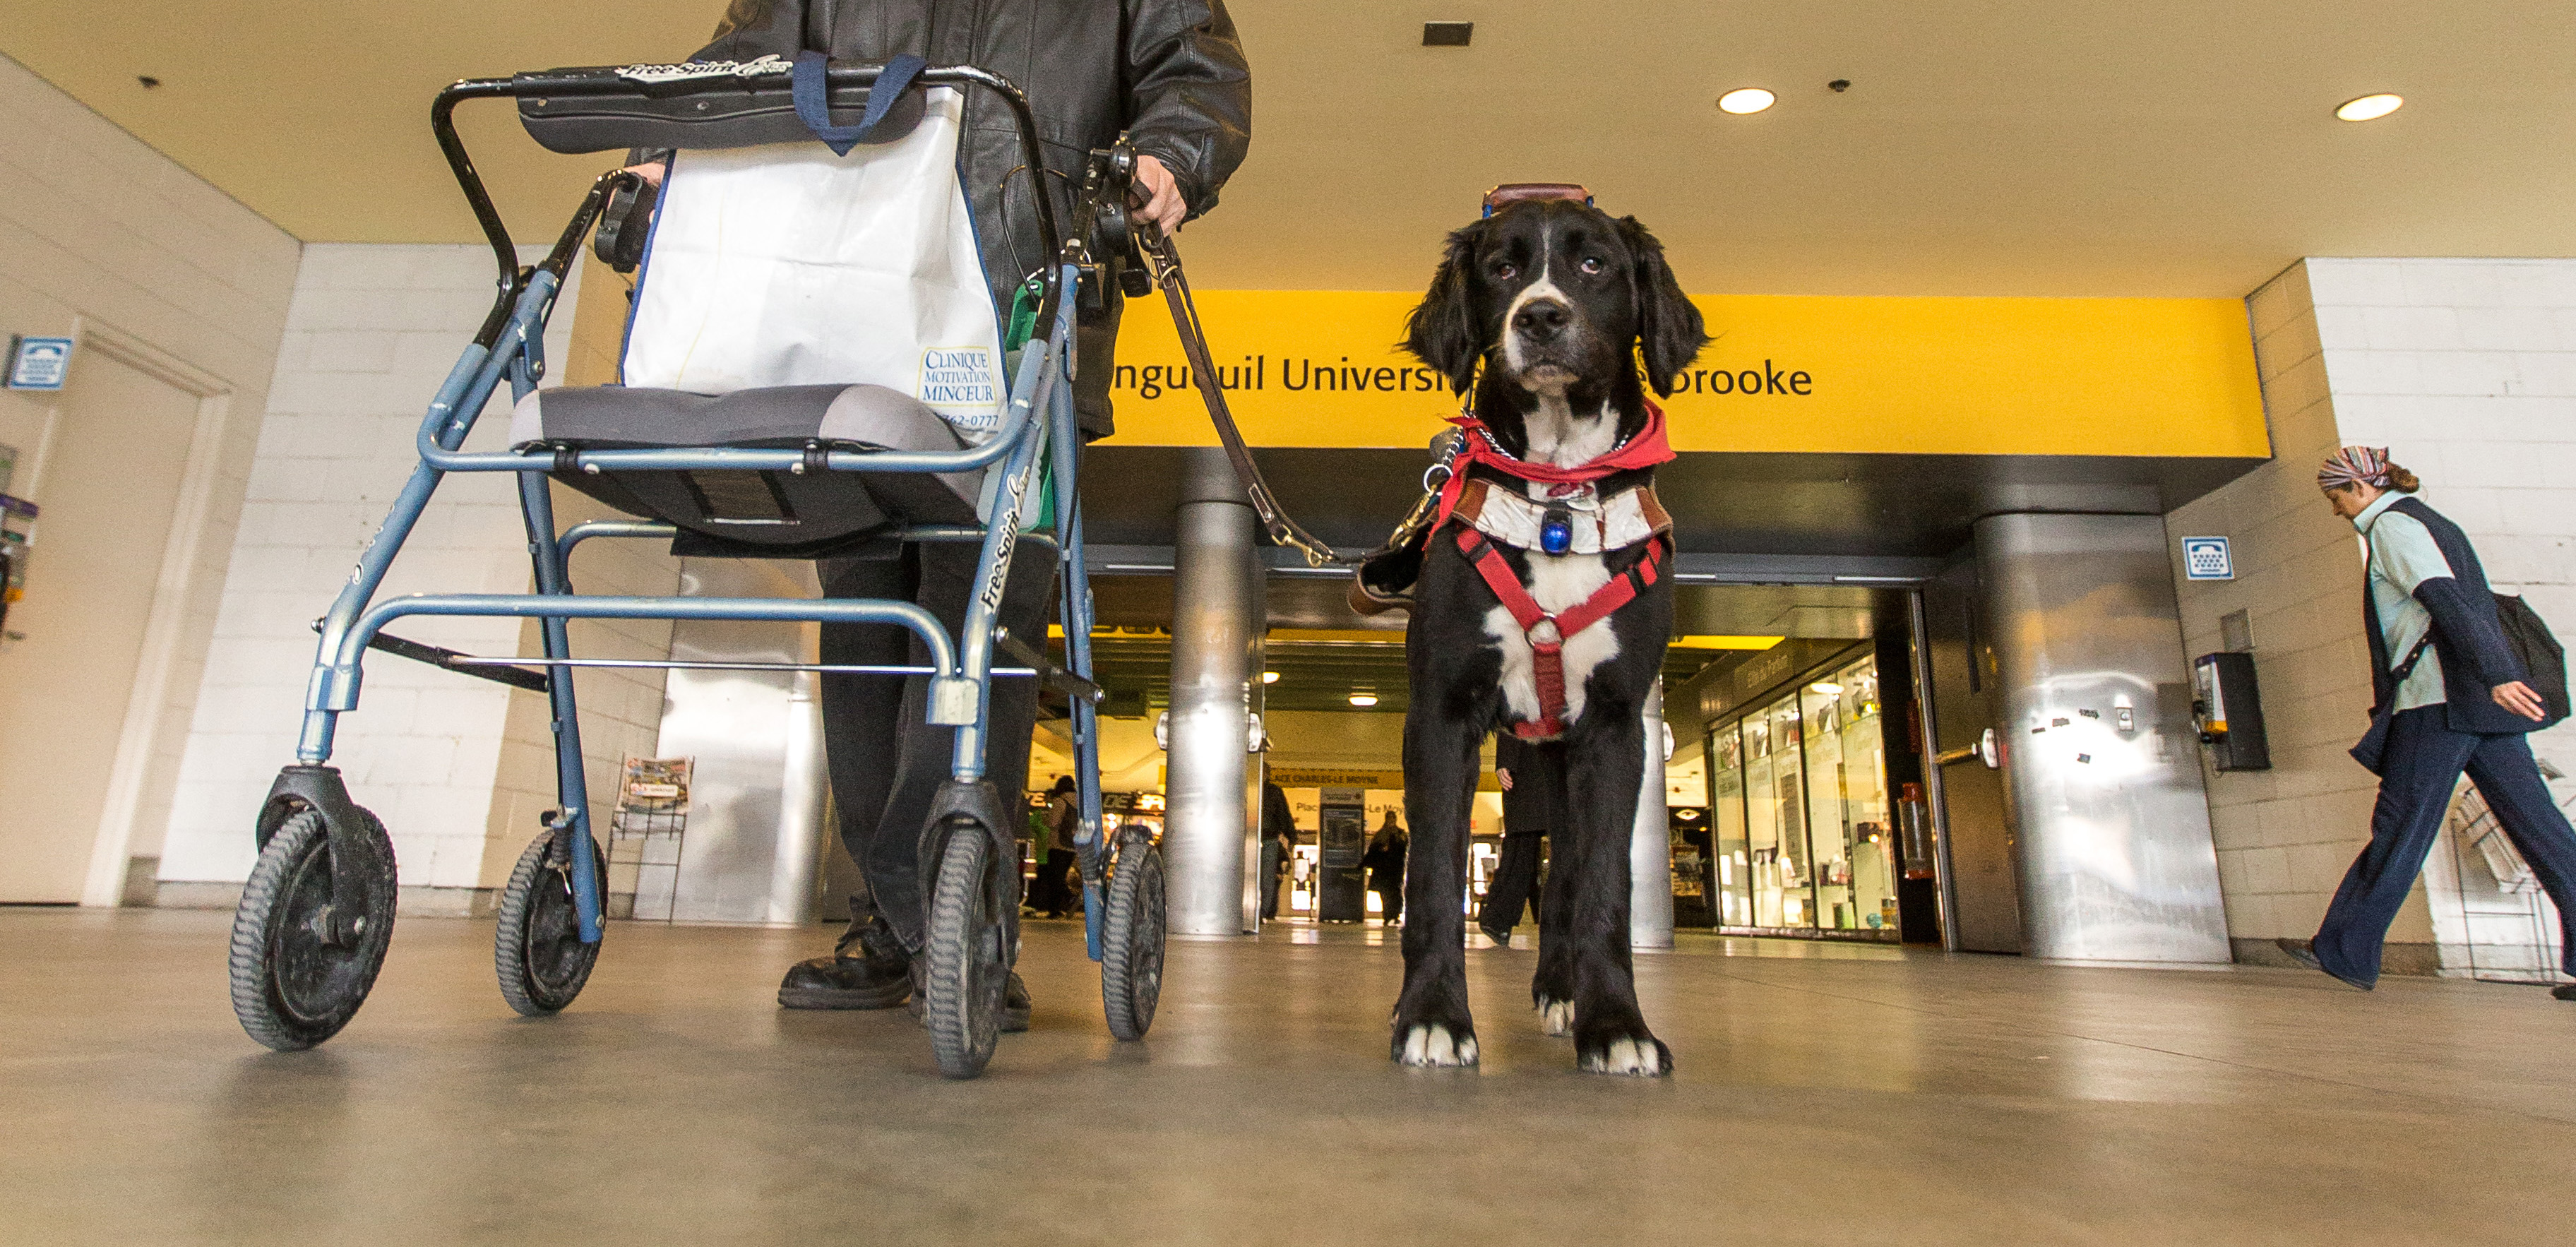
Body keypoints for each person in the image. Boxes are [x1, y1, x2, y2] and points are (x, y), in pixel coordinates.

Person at [749, 0, 1252, 1018]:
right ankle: (899, 913)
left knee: (989, 615)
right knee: (860, 622)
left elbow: (1199, 72)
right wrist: (665, 152)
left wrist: (1169, 156)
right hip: (848, 308)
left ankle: (951, 905)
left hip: (1022, 309)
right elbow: (742, 63)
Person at [2279, 447, 2576, 998]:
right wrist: (2496, 680)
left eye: (2336, 497)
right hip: (2479, 705)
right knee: (2544, 831)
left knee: (2401, 823)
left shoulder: (2394, 525)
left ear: (2361, 488)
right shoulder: (2432, 520)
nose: (2336, 509)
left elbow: (2444, 599)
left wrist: (2497, 674)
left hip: (2438, 702)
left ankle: (2344, 949)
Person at [1479, 735, 1560, 946]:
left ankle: (1497, 918)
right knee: (1524, 847)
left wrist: (1506, 760)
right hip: (1536, 771)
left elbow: (1512, 710)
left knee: (1522, 848)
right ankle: (1497, 918)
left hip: (1534, 771)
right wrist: (1506, 760)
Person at [1362, 813, 1408, 926]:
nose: (1391, 821)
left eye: (1393, 818)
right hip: (1383, 870)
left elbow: (1403, 848)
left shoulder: (1400, 833)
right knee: (1385, 893)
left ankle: (1395, 914)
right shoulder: (1381, 834)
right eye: (1389, 818)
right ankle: (1387, 915)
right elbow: (1374, 850)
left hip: (1395, 870)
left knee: (1395, 893)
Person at [1259, 780, 1294, 921]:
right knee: (1267, 877)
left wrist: (1291, 835)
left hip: (1264, 837)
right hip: (1269, 837)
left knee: (1266, 878)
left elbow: (1283, 814)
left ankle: (1262, 912)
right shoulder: (1274, 791)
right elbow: (1283, 814)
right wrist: (1290, 835)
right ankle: (1262, 913)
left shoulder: (1272, 791)